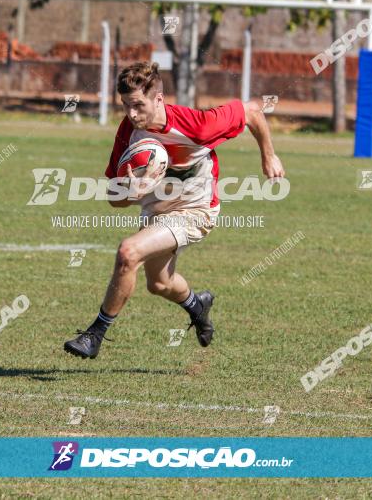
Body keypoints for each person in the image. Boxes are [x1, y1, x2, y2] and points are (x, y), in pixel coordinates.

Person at [63, 61, 285, 359]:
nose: (131, 114)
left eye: (138, 105)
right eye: (126, 106)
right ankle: (197, 305)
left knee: (129, 252)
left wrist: (268, 156)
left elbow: (252, 111)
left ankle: (95, 335)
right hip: (158, 212)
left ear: (158, 99)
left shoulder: (198, 124)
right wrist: (131, 191)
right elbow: (113, 199)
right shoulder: (128, 131)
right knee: (159, 283)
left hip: (197, 209)